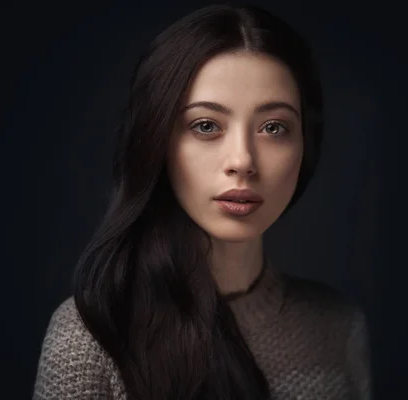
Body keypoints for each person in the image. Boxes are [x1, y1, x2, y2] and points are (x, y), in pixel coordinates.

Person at [33, 3, 371, 399]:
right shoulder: (90, 339)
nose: (242, 161)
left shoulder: (337, 327)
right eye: (206, 126)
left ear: (304, 147)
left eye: (274, 127)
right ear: (157, 142)